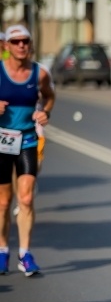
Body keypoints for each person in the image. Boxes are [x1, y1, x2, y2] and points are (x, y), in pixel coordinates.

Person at [0, 25, 55, 276]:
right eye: (16, 41)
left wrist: (45, 111)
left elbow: (49, 96)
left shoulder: (39, 73)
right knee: (3, 202)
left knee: (26, 198)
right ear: (7, 46)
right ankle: (2, 251)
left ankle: (25, 253)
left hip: (27, 141)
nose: (21, 45)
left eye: (25, 41)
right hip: (1, 142)